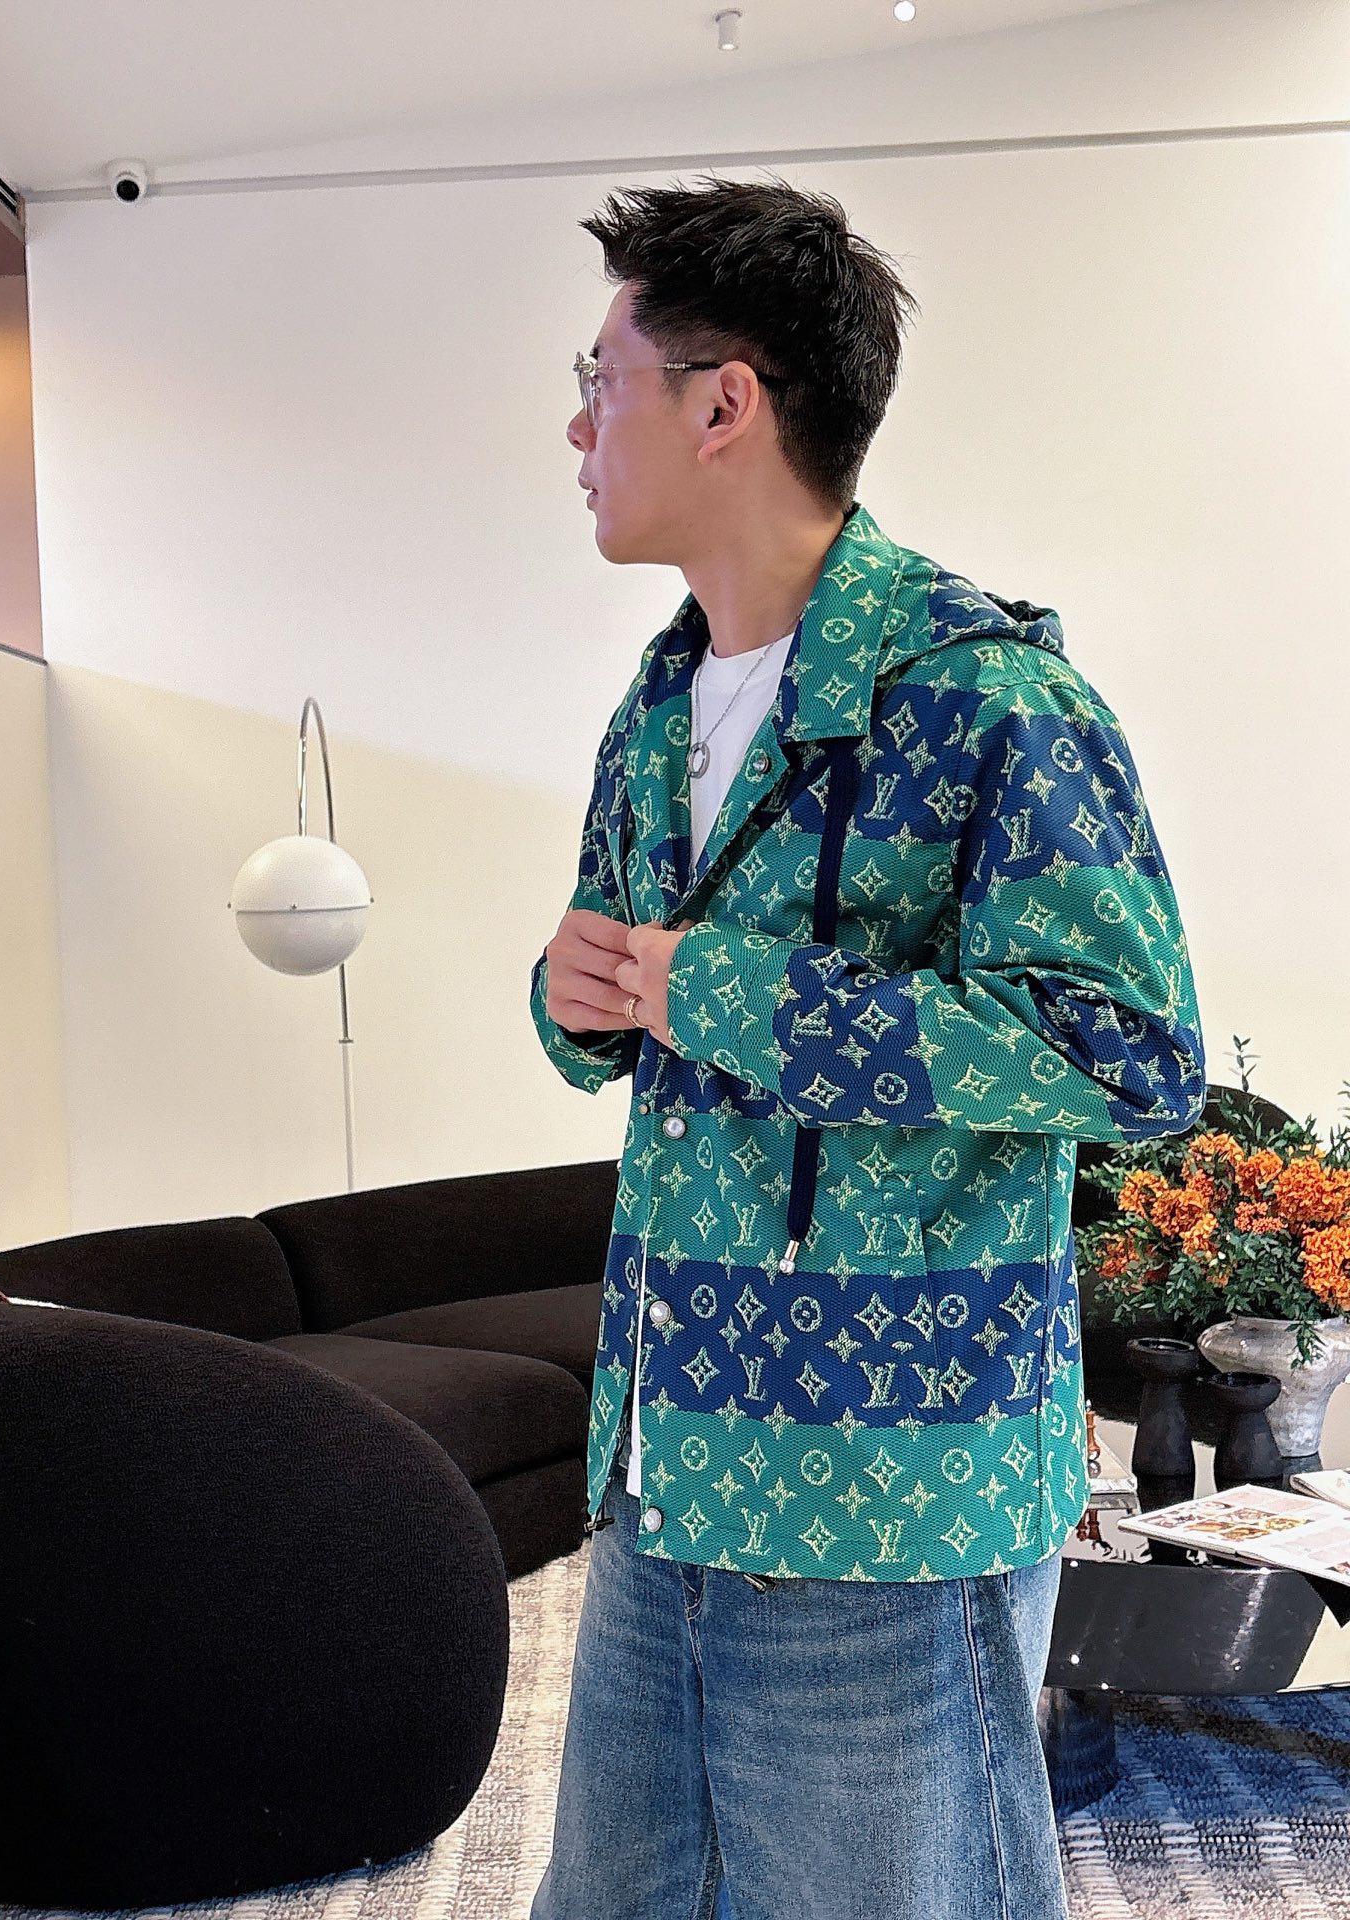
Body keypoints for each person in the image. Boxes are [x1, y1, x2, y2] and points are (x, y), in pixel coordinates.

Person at [527, 174, 1206, 1920]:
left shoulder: (990, 697)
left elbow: (1132, 1055)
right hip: (664, 1457)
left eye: (602, 379)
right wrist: (576, 998)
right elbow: (622, 1010)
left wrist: (715, 991)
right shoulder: (655, 706)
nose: (579, 426)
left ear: (725, 404)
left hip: (886, 1490)